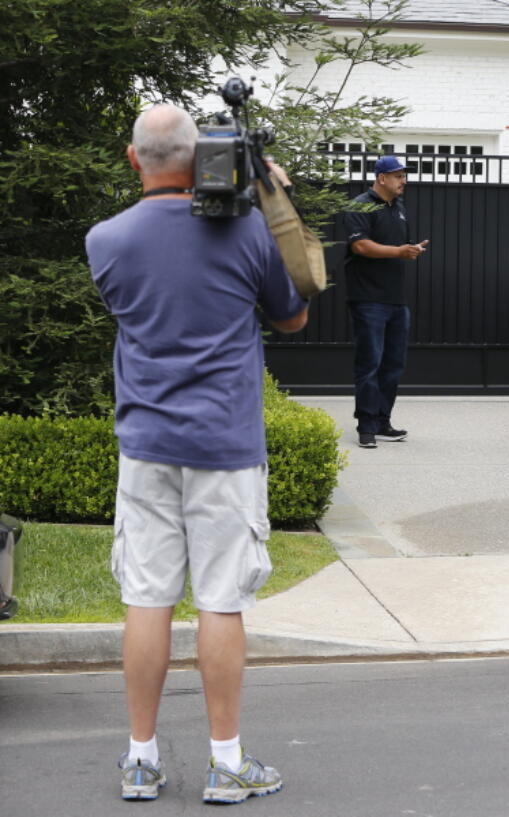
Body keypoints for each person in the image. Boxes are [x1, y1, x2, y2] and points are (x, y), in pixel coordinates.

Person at [85, 103, 309, 804]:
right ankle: (226, 761)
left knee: (146, 598)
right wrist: (274, 201)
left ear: (134, 161)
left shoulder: (105, 240)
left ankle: (142, 761)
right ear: (207, 158)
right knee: (221, 599)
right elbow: (295, 312)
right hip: (226, 446)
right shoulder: (246, 230)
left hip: (146, 444)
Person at [342, 155, 429, 448]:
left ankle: (382, 422)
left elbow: (397, 247)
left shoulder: (399, 207)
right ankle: (365, 426)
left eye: (404, 176)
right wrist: (400, 252)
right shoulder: (360, 205)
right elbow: (360, 245)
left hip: (395, 300)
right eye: (398, 176)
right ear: (382, 178)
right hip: (368, 299)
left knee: (393, 364)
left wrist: (411, 249)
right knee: (369, 363)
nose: (403, 181)